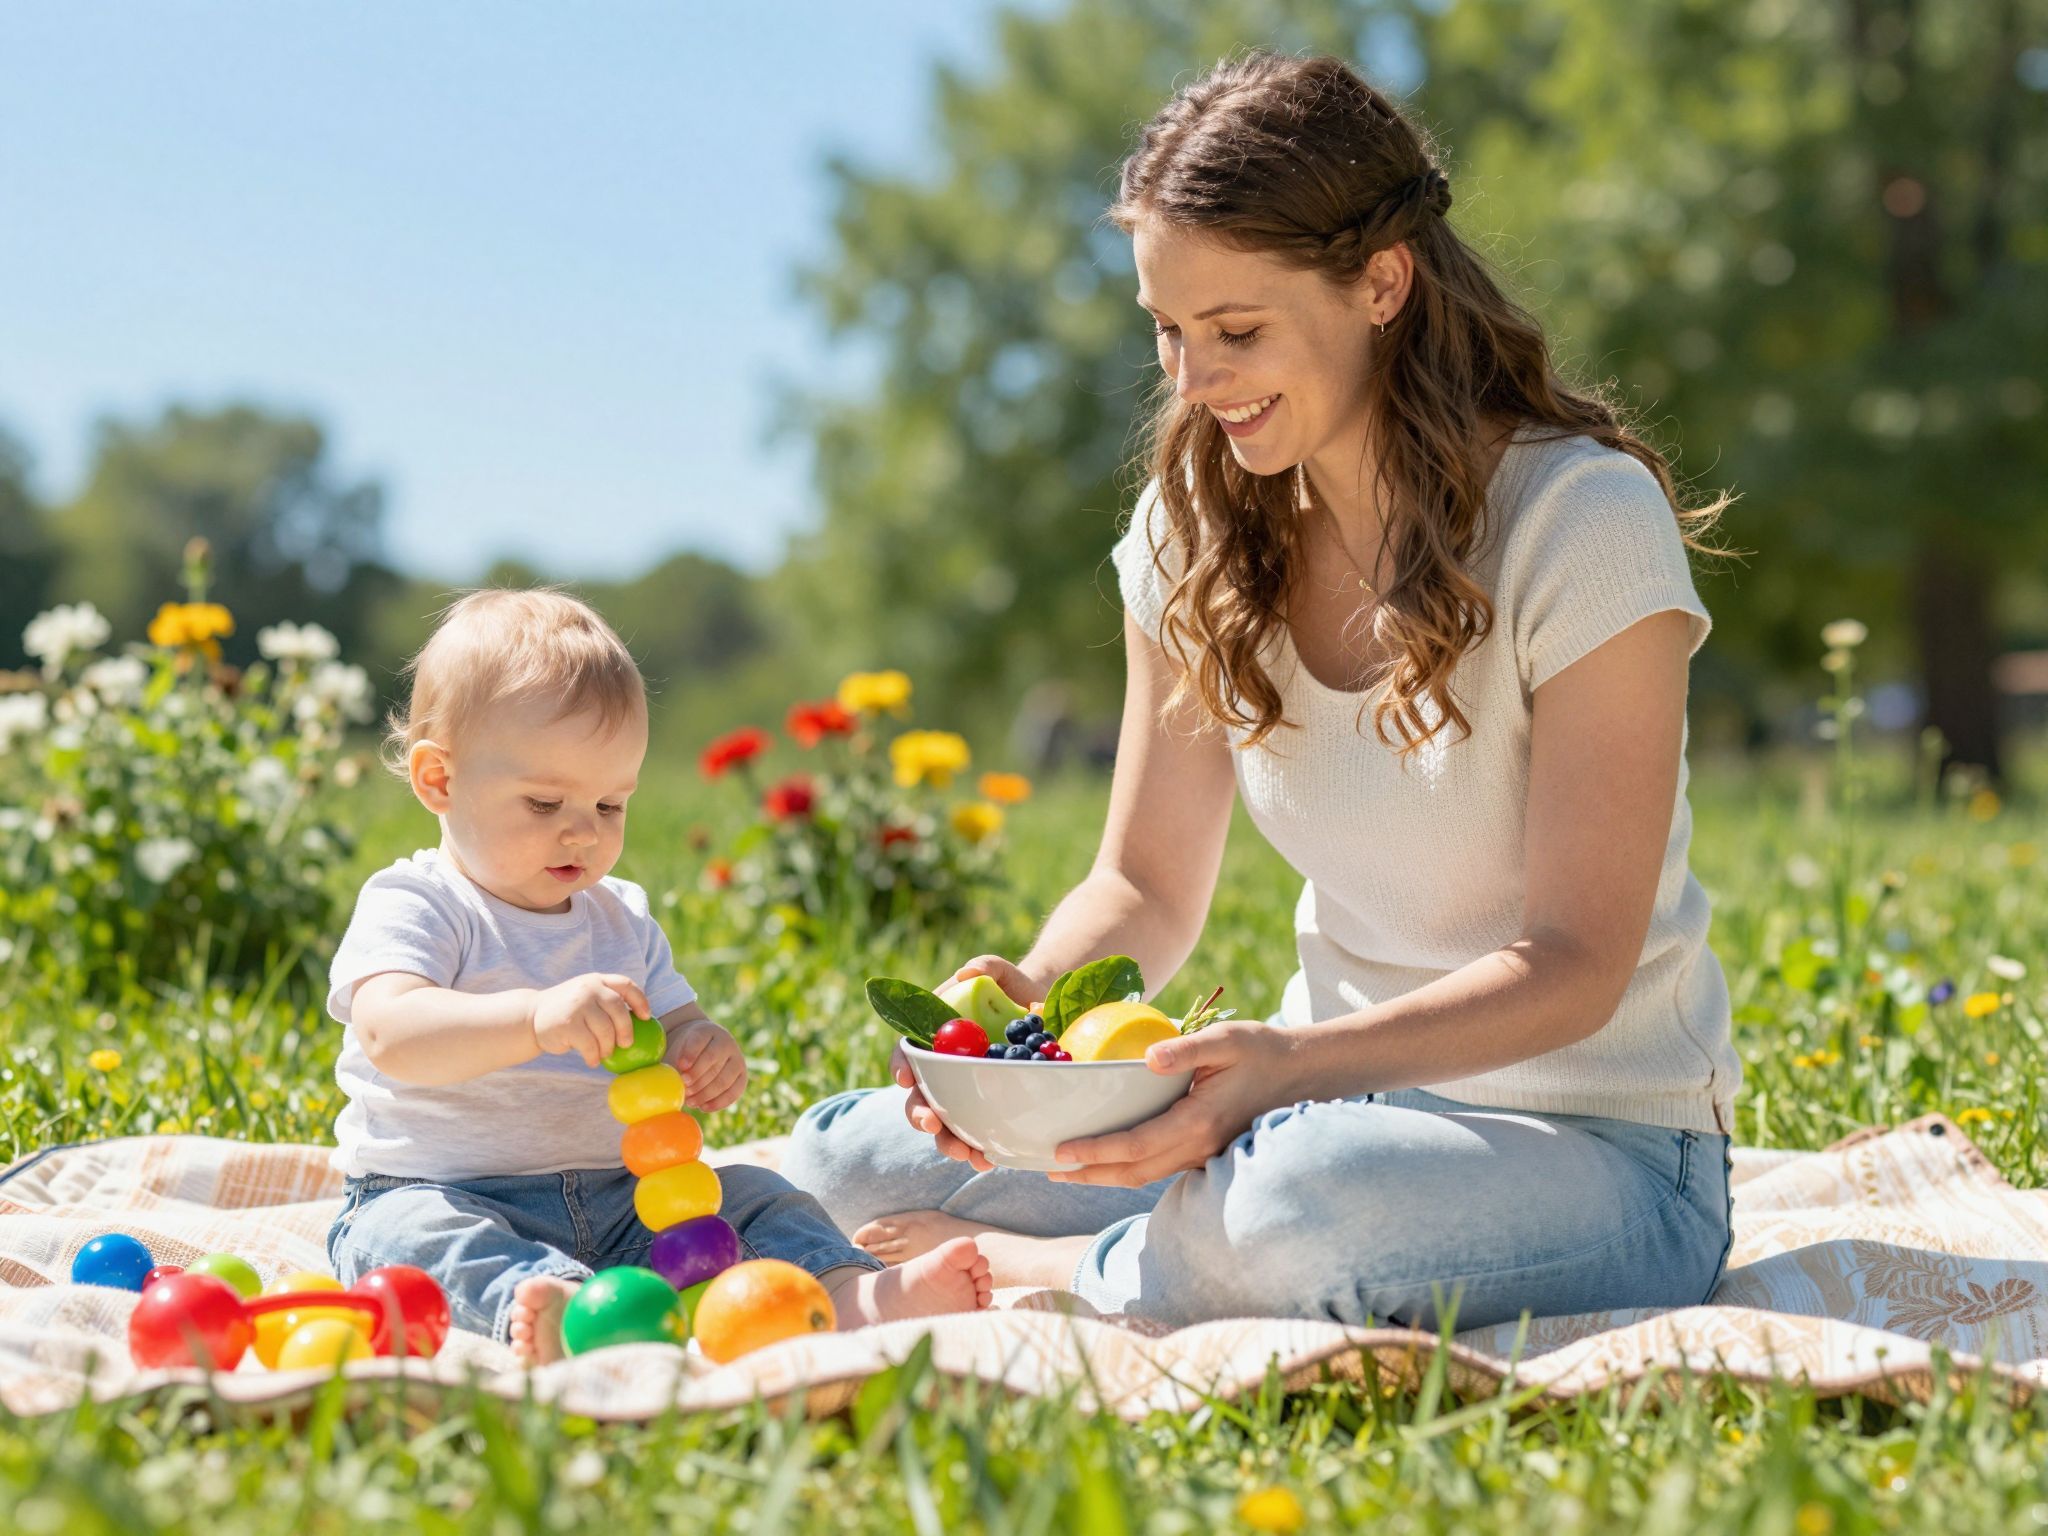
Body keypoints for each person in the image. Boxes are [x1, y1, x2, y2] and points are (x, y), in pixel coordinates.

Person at [781, 51, 1742, 1332]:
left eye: (1235, 332)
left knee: (1288, 1208)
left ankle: (1069, 1273)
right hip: (1313, 1110)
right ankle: (1171, 1240)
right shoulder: (1195, 529)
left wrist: (1283, 1075)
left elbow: (1572, 963)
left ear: (1380, 282)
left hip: (1597, 1145)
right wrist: (1025, 1039)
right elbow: (1146, 884)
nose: (1191, 380)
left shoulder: (1581, 521)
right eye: (1166, 332)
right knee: (852, 1166)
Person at [324, 588, 990, 1364]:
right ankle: (554, 1313)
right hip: (445, 1192)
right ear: (439, 780)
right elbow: (393, 1033)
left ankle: (849, 1295)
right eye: (544, 803)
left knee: (754, 1197)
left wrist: (704, 1047)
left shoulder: (620, 918)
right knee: (405, 1242)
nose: (584, 830)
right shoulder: (421, 903)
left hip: (625, 1202)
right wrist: (534, 1017)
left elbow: (678, 1022)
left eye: (611, 803)